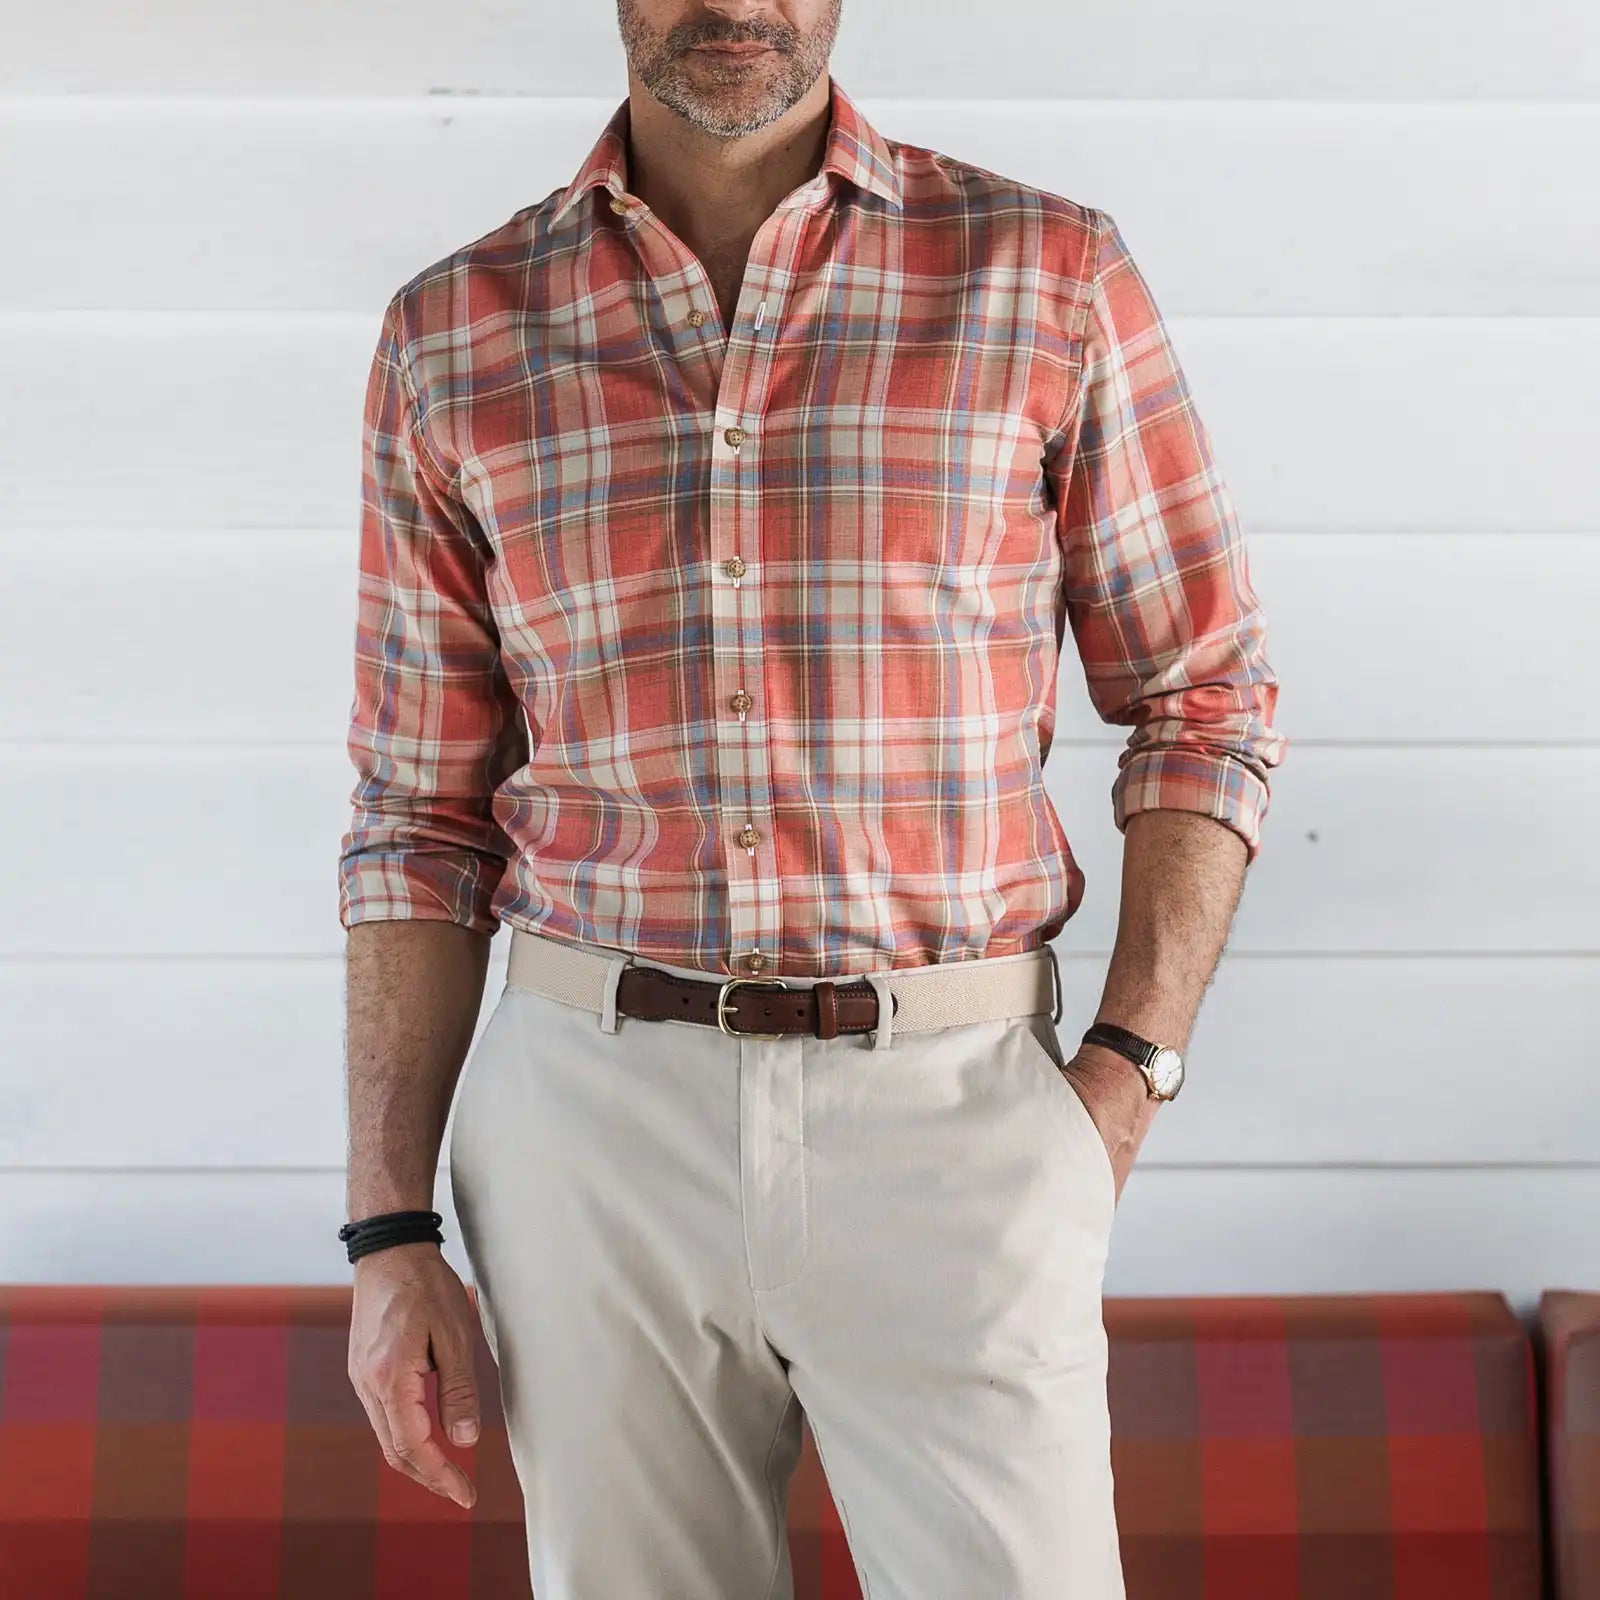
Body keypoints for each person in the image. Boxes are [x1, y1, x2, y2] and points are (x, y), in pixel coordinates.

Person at [336, 2, 1287, 1594]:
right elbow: (417, 813)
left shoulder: (1046, 278)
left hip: (959, 1107)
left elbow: (1205, 697)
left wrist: (1127, 1074)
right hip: (589, 1121)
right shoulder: (455, 333)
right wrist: (386, 1234)